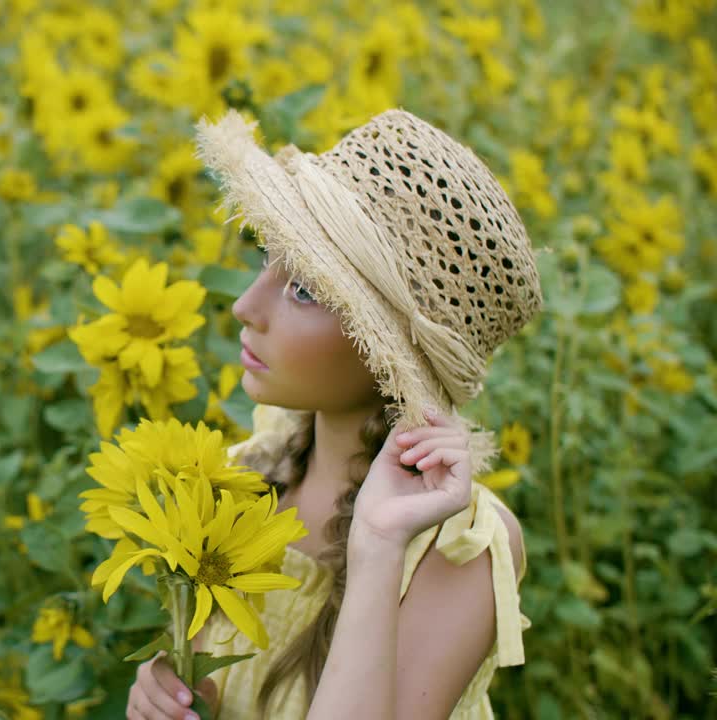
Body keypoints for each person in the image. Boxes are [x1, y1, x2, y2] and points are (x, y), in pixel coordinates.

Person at [125, 106, 543, 719]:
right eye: (268, 259)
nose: (246, 305)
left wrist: (376, 543)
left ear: (385, 354)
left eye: (305, 290)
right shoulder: (243, 475)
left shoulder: (459, 548)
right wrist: (167, 694)